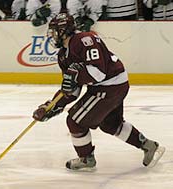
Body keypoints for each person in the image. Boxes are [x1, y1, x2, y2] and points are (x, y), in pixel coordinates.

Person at [32, 13, 165, 171]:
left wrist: (76, 75)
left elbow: (98, 73)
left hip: (109, 86)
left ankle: (86, 158)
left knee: (75, 121)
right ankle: (149, 146)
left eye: (55, 32)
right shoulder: (63, 55)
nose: (52, 36)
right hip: (110, 85)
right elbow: (72, 89)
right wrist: (51, 107)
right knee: (111, 124)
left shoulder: (85, 39)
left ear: (63, 31)